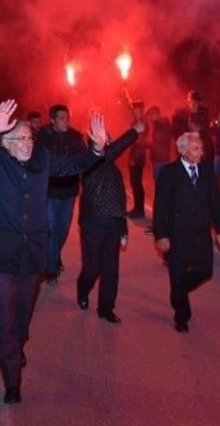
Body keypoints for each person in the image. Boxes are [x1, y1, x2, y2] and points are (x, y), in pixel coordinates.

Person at [0, 100, 106, 404]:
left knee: (23, 315)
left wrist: (97, 148)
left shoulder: (42, 158)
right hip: (0, 256)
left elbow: (73, 165)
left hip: (33, 253)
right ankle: (12, 380)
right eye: (19, 139)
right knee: (5, 315)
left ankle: (17, 345)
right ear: (5, 143)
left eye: (30, 138)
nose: (27, 144)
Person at [153, 132, 220, 333]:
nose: (201, 152)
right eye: (196, 148)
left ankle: (178, 292)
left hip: (201, 233)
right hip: (176, 234)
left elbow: (214, 202)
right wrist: (161, 235)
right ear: (182, 150)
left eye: (201, 148)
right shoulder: (169, 172)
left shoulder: (206, 171)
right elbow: (160, 207)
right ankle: (182, 317)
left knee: (205, 271)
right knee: (177, 273)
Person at [77, 121, 144, 323]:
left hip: (113, 222)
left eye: (108, 137)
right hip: (93, 221)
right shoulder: (88, 161)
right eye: (104, 138)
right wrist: (134, 131)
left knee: (111, 269)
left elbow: (119, 200)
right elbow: (113, 150)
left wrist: (123, 227)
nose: (109, 141)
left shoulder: (113, 168)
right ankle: (83, 290)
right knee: (93, 267)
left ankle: (106, 308)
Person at [36, 103, 87, 283]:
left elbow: (85, 160)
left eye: (67, 118)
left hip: (70, 192)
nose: (66, 121)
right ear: (52, 120)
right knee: (51, 229)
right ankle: (51, 270)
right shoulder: (42, 137)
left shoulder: (75, 137)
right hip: (50, 192)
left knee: (63, 230)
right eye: (62, 118)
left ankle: (54, 255)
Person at [126, 101, 147, 219]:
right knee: (134, 183)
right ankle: (137, 207)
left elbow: (140, 143)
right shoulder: (135, 122)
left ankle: (140, 210)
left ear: (141, 111)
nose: (134, 112)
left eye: (136, 110)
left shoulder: (143, 123)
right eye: (133, 110)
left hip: (138, 157)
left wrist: (134, 158)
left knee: (137, 183)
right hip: (134, 155)